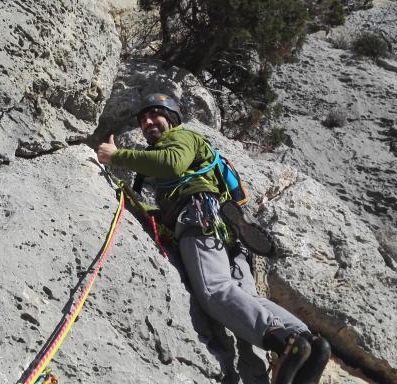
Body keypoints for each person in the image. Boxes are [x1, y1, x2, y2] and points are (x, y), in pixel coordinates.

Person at [97, 93, 330, 384]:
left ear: (172, 118)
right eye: (142, 118)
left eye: (155, 113)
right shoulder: (199, 154)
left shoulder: (181, 138)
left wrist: (116, 156)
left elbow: (171, 164)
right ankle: (308, 341)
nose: (146, 121)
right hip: (227, 235)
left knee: (215, 291)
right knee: (246, 296)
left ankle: (283, 343)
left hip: (200, 220)